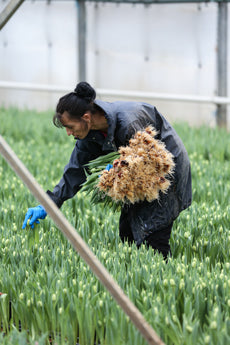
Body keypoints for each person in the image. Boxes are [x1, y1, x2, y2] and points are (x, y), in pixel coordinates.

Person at [22, 81, 192, 259]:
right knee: (128, 233)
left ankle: (160, 274)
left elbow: (149, 162)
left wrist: (122, 168)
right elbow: (75, 171)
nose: (68, 133)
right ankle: (135, 280)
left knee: (153, 233)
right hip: (137, 174)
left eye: (70, 127)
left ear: (86, 118)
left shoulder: (129, 123)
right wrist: (48, 204)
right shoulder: (88, 135)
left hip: (166, 171)